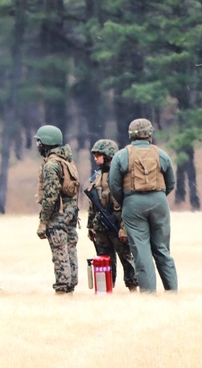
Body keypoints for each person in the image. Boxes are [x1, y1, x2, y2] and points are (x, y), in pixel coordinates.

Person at [108, 118, 178, 293]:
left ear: (130, 135)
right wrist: (158, 196)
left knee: (141, 250)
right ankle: (172, 292)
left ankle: (149, 295)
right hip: (159, 201)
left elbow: (114, 185)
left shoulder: (122, 155)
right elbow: (171, 182)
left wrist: (127, 202)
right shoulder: (161, 154)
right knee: (162, 249)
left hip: (133, 203)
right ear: (149, 134)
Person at [86, 139, 137, 292]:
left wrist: (124, 228)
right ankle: (106, 289)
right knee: (104, 260)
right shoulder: (96, 177)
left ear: (108, 156)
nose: (96, 158)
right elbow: (92, 205)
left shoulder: (120, 177)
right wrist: (91, 227)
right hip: (100, 226)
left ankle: (133, 286)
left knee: (127, 258)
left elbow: (128, 205)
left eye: (98, 155)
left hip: (117, 224)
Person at [34, 124, 80, 294]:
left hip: (58, 215)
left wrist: (43, 222)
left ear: (46, 142)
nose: (37, 145)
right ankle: (71, 286)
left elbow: (50, 196)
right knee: (70, 249)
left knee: (59, 252)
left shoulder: (51, 165)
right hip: (71, 213)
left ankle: (62, 290)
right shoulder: (68, 161)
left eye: (39, 141)